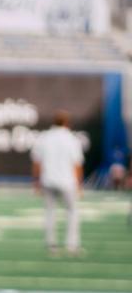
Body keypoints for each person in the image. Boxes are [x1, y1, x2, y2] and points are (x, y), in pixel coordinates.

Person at [31, 110, 84, 256]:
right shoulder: (72, 139)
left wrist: (36, 182)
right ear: (67, 123)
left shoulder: (44, 138)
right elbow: (77, 164)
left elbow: (37, 162)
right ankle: (72, 245)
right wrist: (79, 185)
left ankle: (51, 244)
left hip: (48, 180)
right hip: (67, 181)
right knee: (72, 212)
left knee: (50, 213)